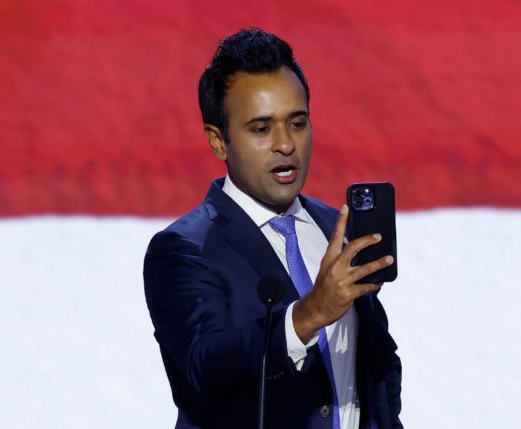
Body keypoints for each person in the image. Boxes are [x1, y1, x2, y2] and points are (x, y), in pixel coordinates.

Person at [143, 28, 402, 429]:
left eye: (297, 123)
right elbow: (206, 366)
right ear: (218, 141)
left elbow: (377, 365)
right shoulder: (183, 250)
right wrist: (307, 315)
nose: (286, 144)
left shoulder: (337, 228)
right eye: (261, 129)